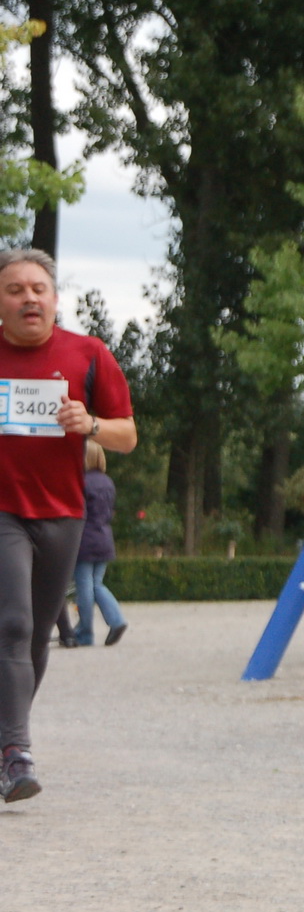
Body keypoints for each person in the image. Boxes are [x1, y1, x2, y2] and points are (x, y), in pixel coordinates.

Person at [0, 248, 137, 802]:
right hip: (3, 510)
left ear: (55, 299)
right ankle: (17, 752)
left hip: (62, 512)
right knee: (11, 623)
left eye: (39, 288)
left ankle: (6, 736)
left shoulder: (88, 354)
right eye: (15, 289)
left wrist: (92, 423)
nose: (29, 297)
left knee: (34, 638)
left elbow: (128, 436)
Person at [75, 440, 128, 647]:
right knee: (97, 583)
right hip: (104, 537)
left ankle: (85, 633)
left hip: (85, 540)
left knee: (85, 587)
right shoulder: (108, 482)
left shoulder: (81, 481)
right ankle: (116, 620)